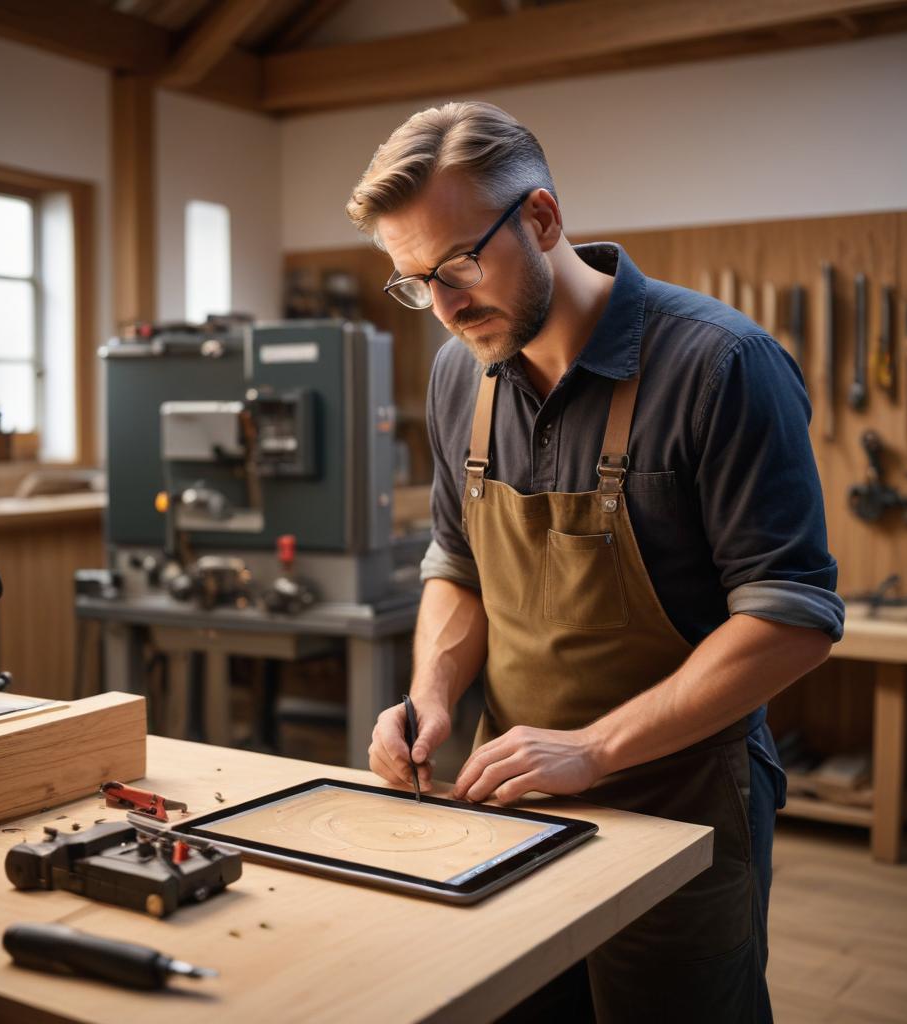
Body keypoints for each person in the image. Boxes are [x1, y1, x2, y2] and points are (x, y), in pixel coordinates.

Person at [346, 101, 842, 1023]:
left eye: (459, 264)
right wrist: (432, 695)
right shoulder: (460, 373)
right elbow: (458, 565)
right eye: (416, 283)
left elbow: (792, 617)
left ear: (541, 218)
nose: (446, 307)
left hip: (681, 802)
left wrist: (594, 748)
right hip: (510, 792)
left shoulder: (721, 365)